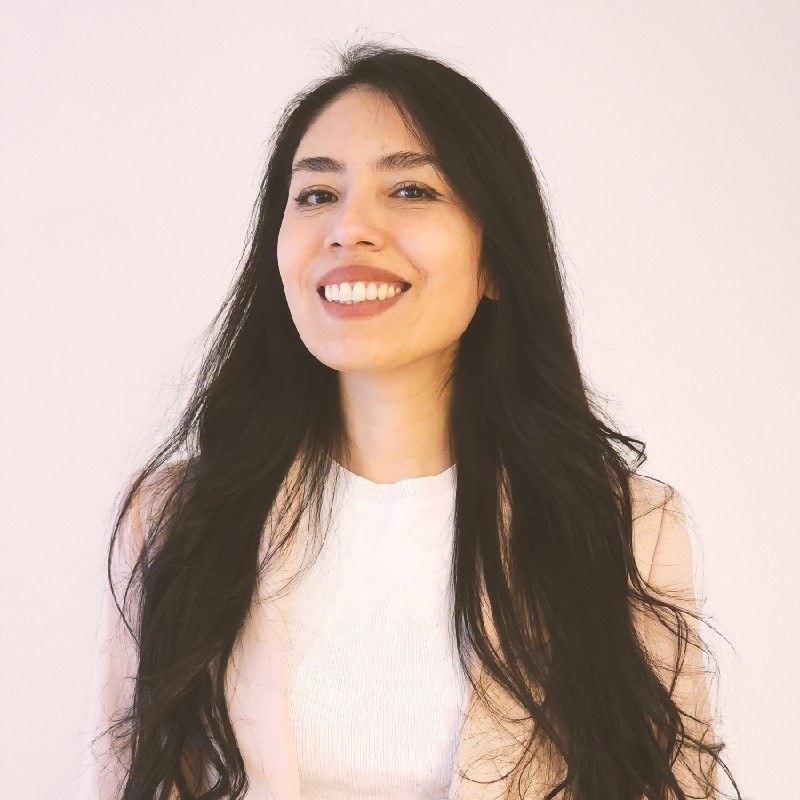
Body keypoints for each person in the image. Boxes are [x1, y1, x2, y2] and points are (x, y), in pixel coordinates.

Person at [77, 42, 741, 800]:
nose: (348, 228)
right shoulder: (173, 520)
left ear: (495, 262)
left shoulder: (624, 526)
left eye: (412, 191)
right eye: (317, 195)